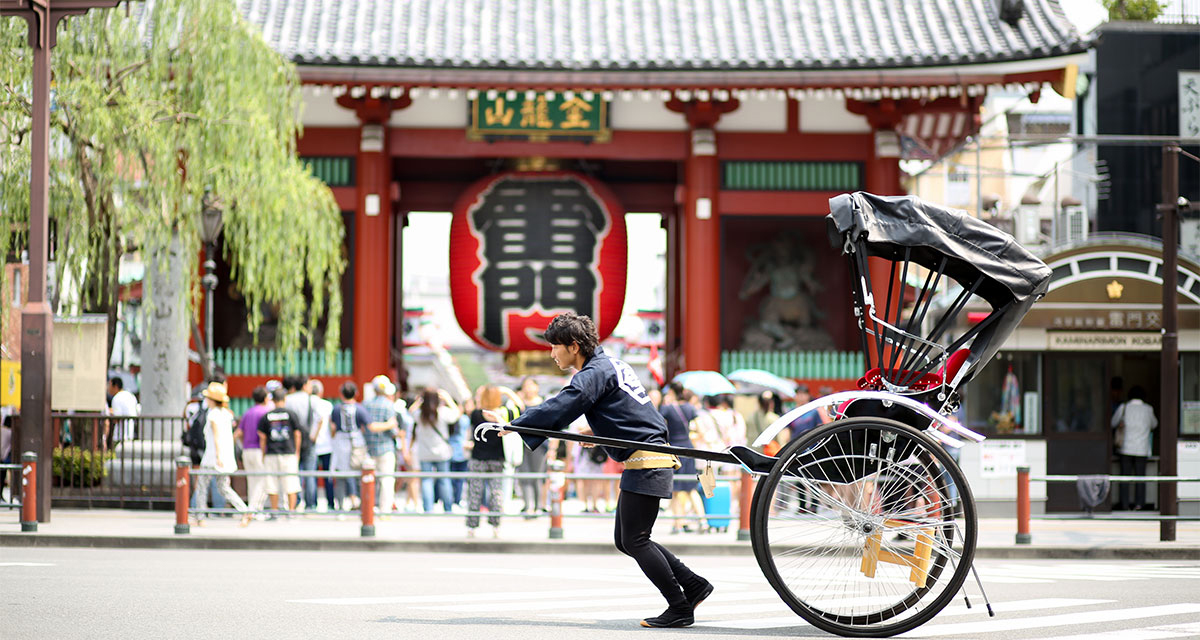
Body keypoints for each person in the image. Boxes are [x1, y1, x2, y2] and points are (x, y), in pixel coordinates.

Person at [486, 312, 712, 628]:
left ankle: (679, 605)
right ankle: (694, 584)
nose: (552, 354)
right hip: (646, 457)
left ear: (574, 346)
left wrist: (516, 424)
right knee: (627, 539)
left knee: (635, 539)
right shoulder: (611, 365)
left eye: (555, 347)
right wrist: (598, 434)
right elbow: (631, 413)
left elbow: (564, 404)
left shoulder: (593, 373)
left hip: (648, 460)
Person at [466, 384, 522, 537]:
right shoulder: (505, 414)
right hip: (497, 459)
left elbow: (476, 404)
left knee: (475, 492)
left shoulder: (476, 414)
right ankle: (495, 526)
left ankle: (472, 527)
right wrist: (507, 392)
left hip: (478, 458)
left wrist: (482, 394)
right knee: (496, 493)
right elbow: (521, 407)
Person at [190, 382, 249, 526]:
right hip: (224, 457)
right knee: (223, 487)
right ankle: (244, 510)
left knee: (202, 486)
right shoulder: (227, 415)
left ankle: (200, 516)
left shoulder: (213, 414)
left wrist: (218, 456)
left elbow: (216, 437)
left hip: (212, 457)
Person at [660, 382, 704, 534]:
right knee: (691, 488)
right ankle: (703, 522)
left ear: (671, 391)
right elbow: (700, 429)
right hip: (689, 449)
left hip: (675, 450)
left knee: (677, 490)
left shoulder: (667, 408)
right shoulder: (690, 408)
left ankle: (678, 523)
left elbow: (659, 426)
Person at [409, 388, 461, 513]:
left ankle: (428, 509)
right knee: (444, 479)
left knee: (426, 480)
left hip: (425, 452)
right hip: (442, 452)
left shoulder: (419, 414)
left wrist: (420, 401)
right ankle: (447, 508)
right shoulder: (443, 412)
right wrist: (448, 398)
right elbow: (457, 413)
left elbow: (410, 411)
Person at [1112, 386, 1158, 511]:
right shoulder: (1148, 409)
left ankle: (1125, 504)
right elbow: (1154, 424)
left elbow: (1113, 423)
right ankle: (1139, 504)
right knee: (1140, 478)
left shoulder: (1124, 407)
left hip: (1126, 448)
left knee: (1124, 478)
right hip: (1141, 448)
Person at [258, 387, 302, 516]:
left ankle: (274, 511)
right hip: (289, 452)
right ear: (285, 399)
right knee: (291, 483)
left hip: (272, 452)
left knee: (272, 483)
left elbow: (262, 437)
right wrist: (297, 451)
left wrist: (263, 453)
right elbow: (297, 434)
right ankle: (291, 511)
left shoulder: (267, 416)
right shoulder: (291, 414)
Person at [330, 381, 370, 513]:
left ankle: (340, 506)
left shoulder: (336, 409)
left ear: (341, 394)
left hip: (341, 443)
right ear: (356, 393)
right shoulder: (360, 408)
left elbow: (332, 427)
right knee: (358, 473)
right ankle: (358, 501)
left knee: (341, 475)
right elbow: (367, 426)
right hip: (357, 443)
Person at [233, 386, 272, 521]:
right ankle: (253, 510)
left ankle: (254, 510)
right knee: (262, 481)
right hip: (259, 450)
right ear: (265, 398)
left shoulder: (248, 412)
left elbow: (238, 433)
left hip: (247, 450)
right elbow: (264, 436)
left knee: (252, 482)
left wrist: (243, 444)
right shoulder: (266, 412)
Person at [363, 377, 401, 514]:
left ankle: (369, 508)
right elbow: (393, 429)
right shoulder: (389, 405)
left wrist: (373, 428)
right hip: (385, 448)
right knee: (387, 481)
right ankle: (385, 511)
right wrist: (390, 426)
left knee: (369, 480)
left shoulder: (365, 404)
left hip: (369, 447)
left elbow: (363, 426)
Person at [283, 376, 319, 512]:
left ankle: (296, 501)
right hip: (309, 440)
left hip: (292, 440)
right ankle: (311, 505)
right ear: (304, 385)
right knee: (310, 473)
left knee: (293, 472)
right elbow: (320, 419)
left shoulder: (288, 400)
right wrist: (314, 435)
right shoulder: (313, 400)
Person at [308, 380, 335, 512]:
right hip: (326, 444)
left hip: (310, 444)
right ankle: (331, 503)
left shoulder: (307, 402)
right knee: (327, 475)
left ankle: (312, 503)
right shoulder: (327, 405)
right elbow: (331, 425)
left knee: (310, 475)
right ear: (321, 391)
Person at [449, 397, 475, 507]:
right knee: (459, 479)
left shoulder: (452, 419)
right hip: (462, 452)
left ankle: (454, 500)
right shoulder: (463, 419)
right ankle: (457, 500)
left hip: (454, 451)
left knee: (453, 479)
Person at [106, 376, 139, 447]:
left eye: (109, 385)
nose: (108, 388)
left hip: (120, 436)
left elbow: (117, 417)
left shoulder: (117, 398)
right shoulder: (131, 395)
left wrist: (109, 414)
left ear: (115, 386)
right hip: (130, 434)